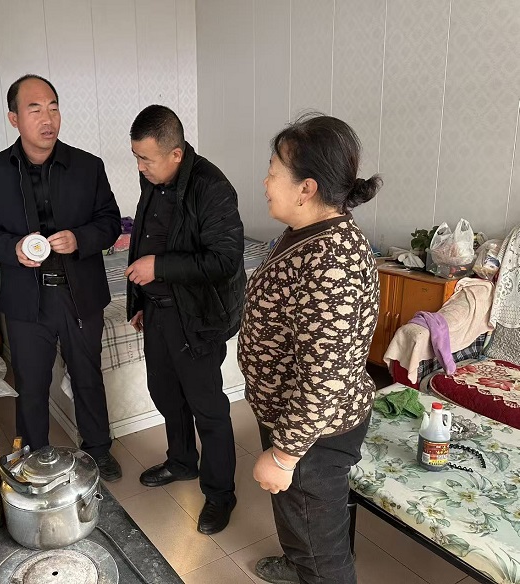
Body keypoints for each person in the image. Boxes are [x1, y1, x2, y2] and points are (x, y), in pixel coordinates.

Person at [238, 113, 381, 584]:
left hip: (315, 435)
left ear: (306, 188)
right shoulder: (305, 233)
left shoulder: (332, 261)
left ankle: (311, 567)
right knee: (297, 515)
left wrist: (284, 455)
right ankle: (298, 560)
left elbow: (325, 377)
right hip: (292, 419)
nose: (265, 183)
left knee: (324, 552)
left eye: (273, 173)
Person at [0, 74, 122, 482]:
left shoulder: (88, 166)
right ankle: (34, 456)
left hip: (79, 294)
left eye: (53, 107)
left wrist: (80, 239)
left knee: (87, 374)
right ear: (14, 118)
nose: (47, 118)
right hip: (26, 298)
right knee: (31, 385)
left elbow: (110, 222)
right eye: (35, 109)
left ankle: (99, 449)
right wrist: (13, 248)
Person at [125, 105, 245, 534]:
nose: (140, 168)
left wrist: (158, 268)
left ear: (175, 154)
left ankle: (220, 493)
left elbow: (224, 260)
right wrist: (140, 299)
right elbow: (146, 238)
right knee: (165, 394)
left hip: (196, 316)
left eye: (146, 159)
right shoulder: (153, 180)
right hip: (157, 311)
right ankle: (181, 462)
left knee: (207, 409)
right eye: (136, 157)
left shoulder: (212, 187)